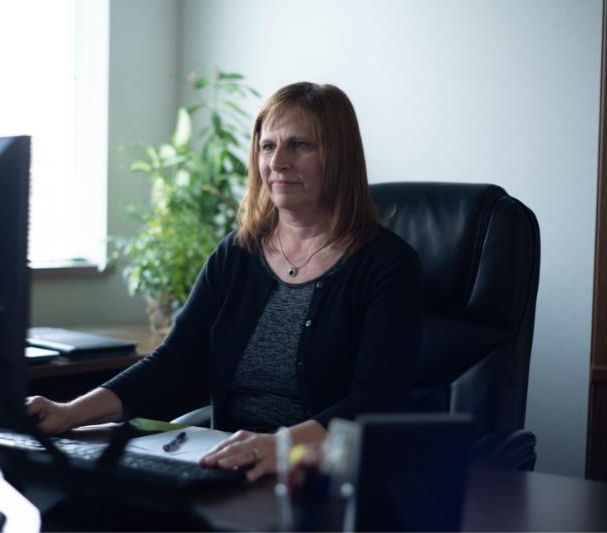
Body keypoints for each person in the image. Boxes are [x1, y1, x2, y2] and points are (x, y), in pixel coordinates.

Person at [26, 81, 424, 481]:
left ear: (339, 156)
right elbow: (175, 362)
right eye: (267, 146)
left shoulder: (387, 265)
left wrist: (283, 444)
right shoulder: (238, 253)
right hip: (227, 461)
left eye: (300, 145)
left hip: (320, 475)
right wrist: (69, 412)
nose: (277, 162)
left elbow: (376, 399)